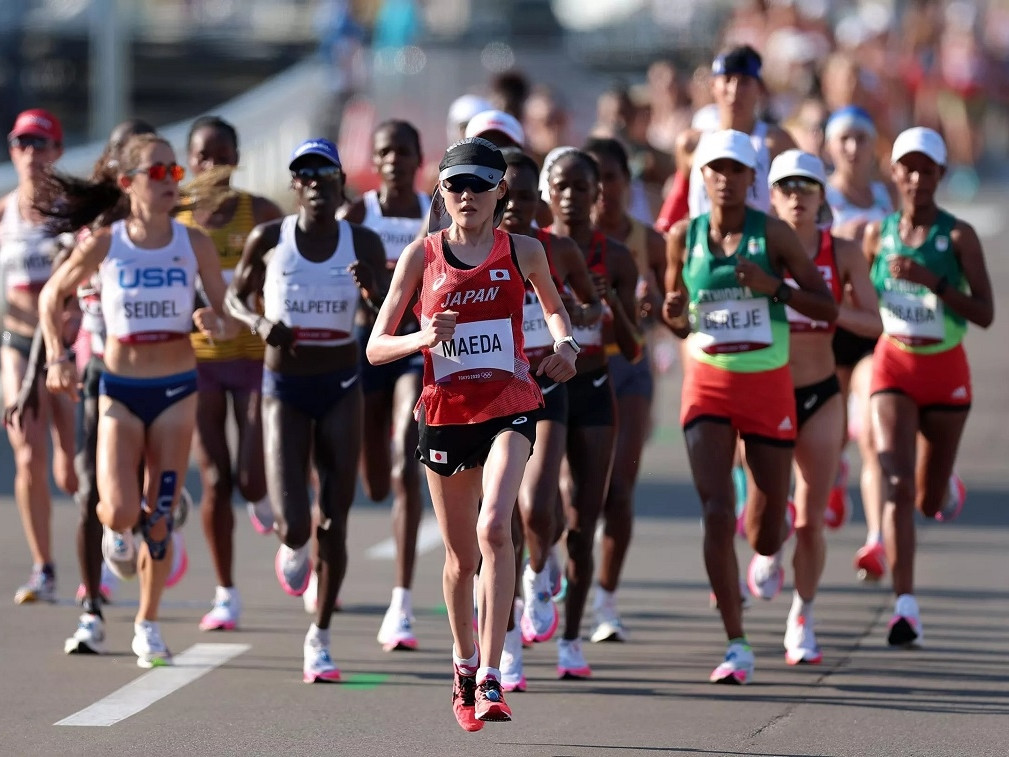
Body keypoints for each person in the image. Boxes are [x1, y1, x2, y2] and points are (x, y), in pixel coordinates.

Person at [367, 137, 577, 730]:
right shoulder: (420, 257)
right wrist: (422, 337)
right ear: (441, 191)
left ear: (500, 193)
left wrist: (564, 345)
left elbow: (556, 312)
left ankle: (492, 674)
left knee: (494, 526)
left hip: (510, 402)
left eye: (480, 186)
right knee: (461, 560)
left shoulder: (525, 250)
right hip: (445, 411)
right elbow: (376, 345)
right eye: (456, 185)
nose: (467, 196)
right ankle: (462, 665)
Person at [39, 133, 232, 667]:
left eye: (175, 172)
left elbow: (224, 308)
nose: (172, 181)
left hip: (175, 391)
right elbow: (53, 295)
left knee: (159, 519)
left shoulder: (193, 243)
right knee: (118, 510)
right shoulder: (107, 241)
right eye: (158, 173)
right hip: (119, 391)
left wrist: (215, 322)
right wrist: (57, 356)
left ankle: (147, 623)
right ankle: (117, 532)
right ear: (128, 184)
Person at [662, 130, 837, 683]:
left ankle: (767, 545)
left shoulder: (776, 235)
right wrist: (670, 313)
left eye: (737, 170)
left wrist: (774, 287)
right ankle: (736, 642)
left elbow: (826, 307)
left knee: (764, 531)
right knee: (715, 511)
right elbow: (678, 315)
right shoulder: (681, 239)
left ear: (750, 180)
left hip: (767, 387)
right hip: (708, 386)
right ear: (703, 178)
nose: (725, 179)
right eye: (716, 169)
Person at [226, 138, 387, 681]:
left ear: (341, 182)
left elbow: (395, 306)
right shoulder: (269, 239)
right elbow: (234, 296)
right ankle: (293, 547)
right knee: (296, 525)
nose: (316, 182)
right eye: (305, 174)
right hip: (284, 389)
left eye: (325, 172)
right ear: (295, 185)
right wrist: (258, 323)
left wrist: (375, 293)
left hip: (342, 385)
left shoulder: (360, 239)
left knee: (334, 522)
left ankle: (319, 637)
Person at [748, 150, 881, 664]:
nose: (797, 196)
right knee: (768, 511)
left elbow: (875, 323)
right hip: (764, 393)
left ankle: (802, 614)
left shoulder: (842, 251)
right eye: (786, 186)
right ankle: (767, 547)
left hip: (821, 393)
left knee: (812, 517)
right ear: (772, 195)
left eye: (807, 186)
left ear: (823, 194)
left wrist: (824, 308)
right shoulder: (756, 251)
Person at [864, 127, 993, 647]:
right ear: (894, 174)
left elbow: (984, 313)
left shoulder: (958, 236)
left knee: (927, 500)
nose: (916, 179)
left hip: (945, 374)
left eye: (926, 169)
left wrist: (931, 281)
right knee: (894, 485)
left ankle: (943, 485)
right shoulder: (877, 235)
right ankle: (905, 607)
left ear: (941, 175)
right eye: (907, 168)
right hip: (893, 366)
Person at [498, 148, 601, 691]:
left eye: (525, 196)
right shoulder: (473, 251)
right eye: (506, 195)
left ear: (539, 199)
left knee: (538, 508)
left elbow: (587, 304)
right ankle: (509, 641)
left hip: (546, 386)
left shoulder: (552, 249)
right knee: (501, 521)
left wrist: (579, 321)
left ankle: (540, 573)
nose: (515, 205)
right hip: (492, 393)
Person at [175, 115, 282, 632]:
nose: (212, 166)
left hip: (254, 360)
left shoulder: (259, 213)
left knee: (250, 474)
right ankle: (226, 593)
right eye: (203, 156)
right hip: (200, 364)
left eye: (222, 155)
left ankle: (262, 496)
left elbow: (291, 270)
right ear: (189, 162)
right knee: (215, 478)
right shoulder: (176, 219)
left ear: (236, 160)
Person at [544, 149, 641, 678]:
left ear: (596, 195)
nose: (571, 196)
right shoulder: (531, 248)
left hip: (596, 386)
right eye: (561, 186)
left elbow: (633, 349)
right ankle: (540, 561)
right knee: (545, 509)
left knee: (585, 519)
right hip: (544, 390)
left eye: (582, 187)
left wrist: (612, 307)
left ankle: (571, 638)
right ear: (546, 192)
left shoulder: (618, 256)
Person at [340, 119, 430, 651]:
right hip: (364, 346)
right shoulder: (357, 213)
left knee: (404, 456)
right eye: (384, 151)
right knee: (372, 480)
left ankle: (401, 603)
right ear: (375, 160)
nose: (393, 159)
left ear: (420, 158)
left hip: (413, 348)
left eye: (403, 150)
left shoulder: (432, 214)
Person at [583, 137, 666, 643]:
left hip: (630, 370)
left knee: (620, 489)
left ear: (625, 183)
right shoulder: (561, 242)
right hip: (577, 369)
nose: (602, 190)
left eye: (611, 178)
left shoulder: (647, 240)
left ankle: (606, 602)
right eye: (593, 180)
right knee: (574, 496)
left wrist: (655, 304)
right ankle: (552, 574)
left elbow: (665, 306)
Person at [1, 108, 78, 604]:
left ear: (57, 153)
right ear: (13, 151)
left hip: (65, 346)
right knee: (27, 453)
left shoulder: (72, 212)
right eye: (22, 144)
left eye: (40, 144)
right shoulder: (4, 211)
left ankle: (104, 553)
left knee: (71, 467)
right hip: (15, 342)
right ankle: (44, 568)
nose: (31, 154)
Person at [822, 106, 897, 576]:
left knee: (872, 433)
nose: (853, 147)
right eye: (844, 138)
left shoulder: (887, 193)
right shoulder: (817, 195)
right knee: (829, 440)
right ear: (830, 146)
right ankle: (832, 479)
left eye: (861, 138)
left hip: (873, 325)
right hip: (830, 329)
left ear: (874, 145)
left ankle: (875, 540)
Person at [654, 45, 797, 232]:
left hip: (758, 254)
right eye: (727, 79)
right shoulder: (691, 144)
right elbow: (679, 200)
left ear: (759, 88)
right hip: (705, 253)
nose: (734, 90)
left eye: (744, 81)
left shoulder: (776, 143)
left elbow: (799, 205)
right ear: (713, 85)